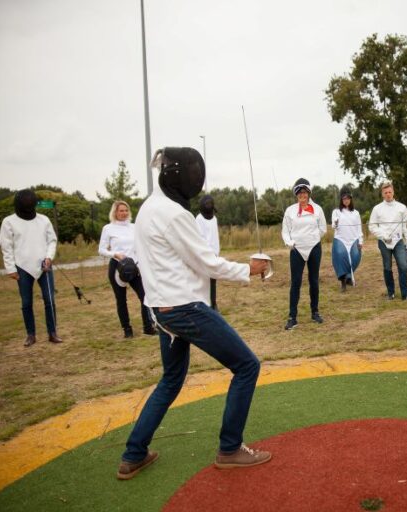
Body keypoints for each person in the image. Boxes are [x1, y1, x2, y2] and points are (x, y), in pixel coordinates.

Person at [117, 147, 271, 480]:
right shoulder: (173, 214)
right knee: (247, 366)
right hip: (184, 309)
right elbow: (207, 262)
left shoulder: (147, 208)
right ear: (178, 177)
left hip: (161, 309)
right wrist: (249, 268)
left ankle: (134, 454)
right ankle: (230, 449)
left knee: (171, 380)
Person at [0, 189, 63, 347]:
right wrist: (11, 268)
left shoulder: (43, 220)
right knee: (27, 302)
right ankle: (31, 334)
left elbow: (52, 241)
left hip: (44, 266)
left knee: (49, 300)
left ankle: (52, 333)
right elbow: (6, 246)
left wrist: (49, 257)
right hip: (22, 267)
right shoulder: (9, 222)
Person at [98, 200, 155, 338]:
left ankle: (148, 327)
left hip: (134, 266)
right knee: (121, 300)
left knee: (145, 296)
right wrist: (114, 254)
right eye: (121, 211)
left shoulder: (134, 227)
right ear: (115, 212)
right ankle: (127, 329)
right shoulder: (108, 228)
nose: (124, 213)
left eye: (126, 210)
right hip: (117, 267)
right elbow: (101, 250)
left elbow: (142, 245)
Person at [282, 178, 327, 330]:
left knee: (314, 280)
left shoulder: (318, 209)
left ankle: (315, 312)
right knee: (296, 282)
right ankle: (292, 317)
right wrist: (291, 243)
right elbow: (285, 231)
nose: (302, 195)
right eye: (299, 193)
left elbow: (323, 229)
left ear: (308, 193)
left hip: (314, 248)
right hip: (297, 250)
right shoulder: (290, 211)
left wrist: (313, 240)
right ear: (296, 195)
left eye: (304, 192)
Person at [368, 181, 407, 301]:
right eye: (385, 193)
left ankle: (406, 294)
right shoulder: (377, 209)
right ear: (382, 194)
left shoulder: (401, 207)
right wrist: (383, 235)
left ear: (393, 192)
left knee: (403, 266)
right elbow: (372, 226)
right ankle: (391, 293)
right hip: (384, 242)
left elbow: (406, 228)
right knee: (387, 267)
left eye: (390, 192)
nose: (388, 194)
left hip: (398, 241)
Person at [331, 188, 363, 292]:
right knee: (340, 258)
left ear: (350, 199)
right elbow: (333, 226)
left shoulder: (356, 213)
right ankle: (343, 282)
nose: (346, 200)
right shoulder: (336, 212)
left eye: (348, 198)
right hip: (340, 239)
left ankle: (349, 276)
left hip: (354, 239)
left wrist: (360, 241)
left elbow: (359, 228)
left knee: (355, 257)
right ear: (341, 199)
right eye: (344, 198)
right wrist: (335, 222)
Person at [195, 194, 220, 310]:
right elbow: (199, 237)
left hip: (214, 254)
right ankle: (204, 304)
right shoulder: (198, 219)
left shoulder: (214, 218)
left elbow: (215, 237)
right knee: (203, 281)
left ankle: (213, 304)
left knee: (213, 280)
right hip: (204, 253)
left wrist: (216, 252)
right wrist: (205, 252)